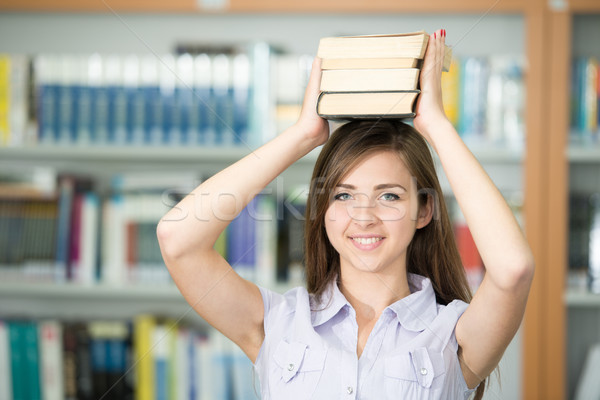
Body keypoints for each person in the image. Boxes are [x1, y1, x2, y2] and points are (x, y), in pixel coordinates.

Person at [157, 29, 534, 400]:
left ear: (425, 210)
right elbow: (177, 240)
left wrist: (435, 125)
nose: (364, 216)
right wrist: (304, 136)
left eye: (389, 196)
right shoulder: (278, 322)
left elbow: (512, 269)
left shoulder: (452, 333)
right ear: (322, 209)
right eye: (343, 195)